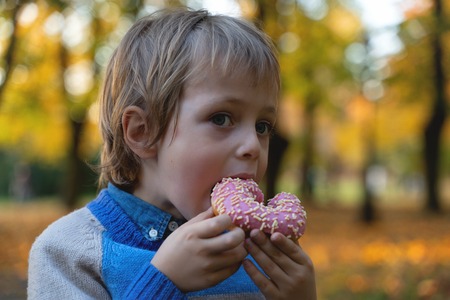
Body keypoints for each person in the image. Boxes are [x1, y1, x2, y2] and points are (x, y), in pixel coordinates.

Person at [28, 8, 316, 299]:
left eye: (263, 125)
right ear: (143, 132)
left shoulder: (260, 255)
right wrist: (163, 282)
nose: (253, 145)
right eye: (221, 118)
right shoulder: (68, 251)